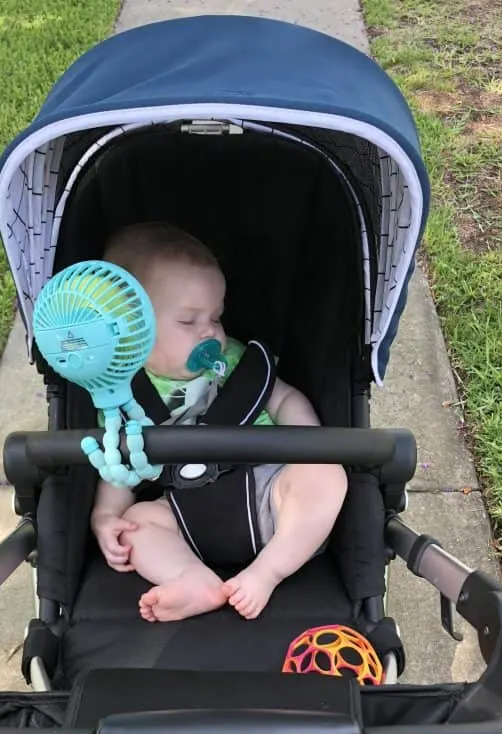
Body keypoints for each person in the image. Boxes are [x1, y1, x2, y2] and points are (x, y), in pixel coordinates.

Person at [89, 222, 348, 622]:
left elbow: (285, 398)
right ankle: (191, 578)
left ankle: (268, 571)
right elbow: (120, 462)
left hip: (271, 497)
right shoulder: (124, 392)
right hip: (184, 510)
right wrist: (105, 515)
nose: (210, 330)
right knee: (135, 525)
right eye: (189, 321)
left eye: (216, 316)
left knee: (326, 477)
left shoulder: (237, 364)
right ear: (130, 330)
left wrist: (309, 446)